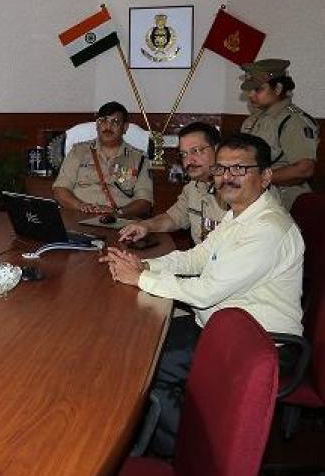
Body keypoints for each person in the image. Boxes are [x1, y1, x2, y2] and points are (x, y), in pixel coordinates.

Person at [100, 133, 304, 457]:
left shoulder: (268, 229)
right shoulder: (238, 214)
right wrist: (145, 265)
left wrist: (139, 279)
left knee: (144, 367)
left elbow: (206, 291)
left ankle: (201, 456)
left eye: (239, 169)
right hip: (218, 326)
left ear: (265, 176)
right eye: (222, 169)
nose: (227, 177)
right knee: (132, 343)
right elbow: (196, 258)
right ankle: (155, 436)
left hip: (260, 345)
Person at [118, 122, 227, 246]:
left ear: (217, 149)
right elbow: (173, 218)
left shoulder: (234, 189)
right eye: (184, 154)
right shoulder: (192, 187)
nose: (189, 161)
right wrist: (145, 225)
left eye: (196, 151)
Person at [240, 58, 320, 210]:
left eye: (258, 89)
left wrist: (256, 179)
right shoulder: (253, 120)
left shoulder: (294, 121)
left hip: (285, 200)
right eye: (249, 90)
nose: (251, 94)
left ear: (277, 88)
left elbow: (304, 169)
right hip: (255, 196)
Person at [53, 101, 153, 218]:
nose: (108, 126)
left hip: (120, 221)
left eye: (115, 121)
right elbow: (60, 189)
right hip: (79, 216)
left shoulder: (138, 158)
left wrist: (117, 212)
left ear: (125, 127)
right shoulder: (78, 151)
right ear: (97, 125)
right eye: (103, 121)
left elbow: (144, 202)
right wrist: (81, 206)